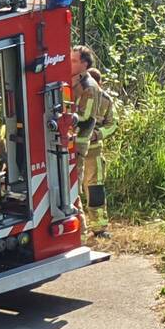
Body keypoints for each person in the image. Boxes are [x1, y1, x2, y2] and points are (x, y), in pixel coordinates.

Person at [71, 46, 116, 238]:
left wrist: (99, 133)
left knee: (94, 186)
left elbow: (114, 124)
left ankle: (99, 227)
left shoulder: (105, 99)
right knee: (76, 186)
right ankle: (81, 228)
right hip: (79, 144)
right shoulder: (74, 87)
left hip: (94, 149)